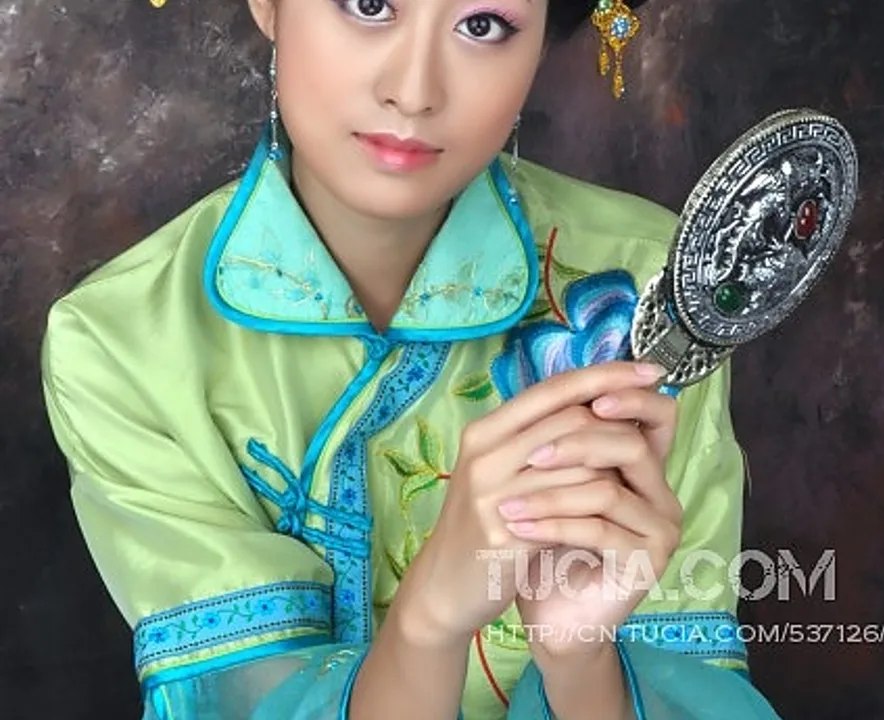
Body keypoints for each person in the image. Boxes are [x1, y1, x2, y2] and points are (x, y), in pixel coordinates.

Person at [40, 0, 783, 717]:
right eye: (368, 5)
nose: (415, 90)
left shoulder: (655, 290)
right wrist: (429, 622)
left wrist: (582, 664)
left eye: (483, 24)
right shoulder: (125, 343)